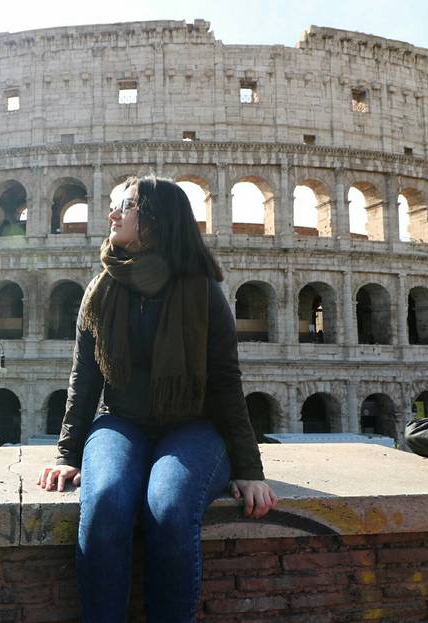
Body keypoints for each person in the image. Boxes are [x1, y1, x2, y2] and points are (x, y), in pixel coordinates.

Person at [37, 175, 278, 622]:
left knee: (168, 509)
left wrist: (249, 469)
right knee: (106, 503)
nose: (112, 215)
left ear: (153, 219)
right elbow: (84, 378)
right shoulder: (102, 288)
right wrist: (68, 452)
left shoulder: (202, 291)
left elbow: (226, 382)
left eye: (123, 207)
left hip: (194, 426)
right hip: (120, 421)